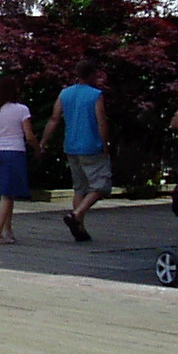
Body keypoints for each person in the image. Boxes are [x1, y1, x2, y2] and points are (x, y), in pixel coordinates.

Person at [38, 59, 110, 241]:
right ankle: (77, 214)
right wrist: (105, 143)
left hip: (71, 145)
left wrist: (44, 141)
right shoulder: (96, 95)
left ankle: (80, 227)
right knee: (100, 186)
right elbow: (101, 121)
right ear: (92, 74)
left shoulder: (65, 94)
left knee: (79, 187)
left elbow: (54, 118)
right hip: (91, 146)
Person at [0, 78, 38, 245]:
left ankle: (8, 230)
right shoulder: (21, 110)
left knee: (8, 192)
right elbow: (28, 135)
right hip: (14, 152)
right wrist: (37, 148)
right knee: (6, 195)